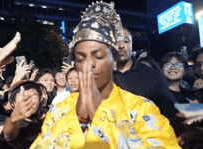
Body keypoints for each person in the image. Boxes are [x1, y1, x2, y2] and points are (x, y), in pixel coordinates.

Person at [30, 2, 180, 148]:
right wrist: (79, 119)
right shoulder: (60, 109)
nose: (89, 64)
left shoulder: (141, 109)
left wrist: (98, 117)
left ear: (114, 61)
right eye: (81, 58)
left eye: (98, 56)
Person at [113, 28, 178, 118]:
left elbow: (171, 111)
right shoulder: (102, 75)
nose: (121, 45)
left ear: (132, 45)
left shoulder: (151, 75)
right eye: (116, 41)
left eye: (125, 41)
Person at [2, 81, 44, 149]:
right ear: (13, 103)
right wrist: (15, 118)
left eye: (33, 97)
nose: (28, 100)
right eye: (24, 96)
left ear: (40, 100)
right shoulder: (8, 122)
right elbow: (8, 135)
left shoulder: (46, 123)